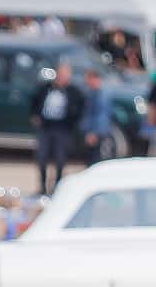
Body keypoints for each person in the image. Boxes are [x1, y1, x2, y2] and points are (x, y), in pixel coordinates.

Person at [29, 63, 83, 194]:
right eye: (59, 75)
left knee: (60, 158)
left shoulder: (73, 92)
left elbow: (79, 109)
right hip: (46, 126)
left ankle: (57, 186)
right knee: (41, 157)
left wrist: (72, 124)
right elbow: (34, 101)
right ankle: (42, 186)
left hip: (62, 127)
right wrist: (35, 116)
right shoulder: (45, 88)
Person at [80, 69, 111, 165]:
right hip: (92, 132)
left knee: (95, 161)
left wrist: (93, 133)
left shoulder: (100, 95)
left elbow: (100, 116)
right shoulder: (91, 93)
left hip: (95, 134)